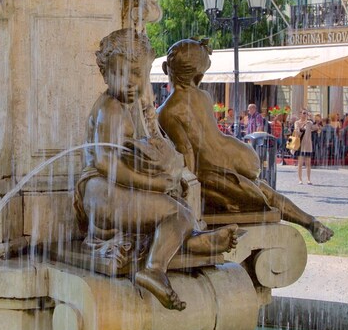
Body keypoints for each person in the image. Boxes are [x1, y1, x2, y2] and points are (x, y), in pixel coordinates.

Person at [75, 30, 239, 311]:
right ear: (105, 75)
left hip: (111, 192)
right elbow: (106, 164)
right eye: (122, 74)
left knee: (174, 214)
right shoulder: (111, 108)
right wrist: (154, 184)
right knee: (175, 213)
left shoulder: (130, 107)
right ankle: (153, 268)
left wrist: (171, 174)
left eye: (138, 75)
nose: (130, 83)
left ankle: (196, 242)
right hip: (101, 194)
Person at [157, 38, 333, 241]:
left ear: (165, 68)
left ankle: (309, 222)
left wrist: (184, 189)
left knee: (262, 194)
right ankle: (310, 222)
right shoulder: (203, 96)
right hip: (237, 154)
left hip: (213, 169)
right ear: (199, 74)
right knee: (264, 189)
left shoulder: (166, 111)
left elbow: (187, 152)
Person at [292, 110, 318, 185]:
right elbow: (296, 132)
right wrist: (301, 127)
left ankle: (308, 179)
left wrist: (312, 118)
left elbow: (316, 128)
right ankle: (300, 179)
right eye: (303, 113)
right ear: (300, 114)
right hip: (300, 145)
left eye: (305, 113)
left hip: (308, 145)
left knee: (308, 163)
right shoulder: (297, 123)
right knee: (300, 163)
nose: (304, 115)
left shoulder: (309, 123)